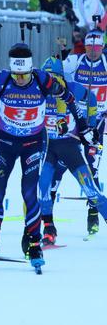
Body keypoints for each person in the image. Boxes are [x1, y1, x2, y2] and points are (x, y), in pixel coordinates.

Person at [0, 44, 92, 272]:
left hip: (33, 144)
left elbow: (69, 97)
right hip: (5, 143)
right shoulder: (2, 80)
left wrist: (82, 125)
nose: (21, 79)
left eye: (25, 74)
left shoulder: (43, 80)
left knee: (28, 191)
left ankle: (35, 243)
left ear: (31, 69)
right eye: (17, 75)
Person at [37, 57, 106, 244]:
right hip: (50, 147)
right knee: (43, 188)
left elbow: (91, 99)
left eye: (54, 78)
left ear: (61, 77)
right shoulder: (39, 91)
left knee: (91, 191)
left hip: (69, 147)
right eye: (46, 77)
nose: (50, 82)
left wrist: (91, 126)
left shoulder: (71, 88)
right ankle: (48, 229)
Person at [62, 29, 107, 235]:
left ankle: (93, 212)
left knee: (93, 168)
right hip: (75, 119)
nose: (93, 52)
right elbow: (56, 74)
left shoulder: (106, 64)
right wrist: (61, 54)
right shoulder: (75, 61)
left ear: (103, 47)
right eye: (90, 47)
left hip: (97, 121)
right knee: (60, 163)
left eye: (97, 48)